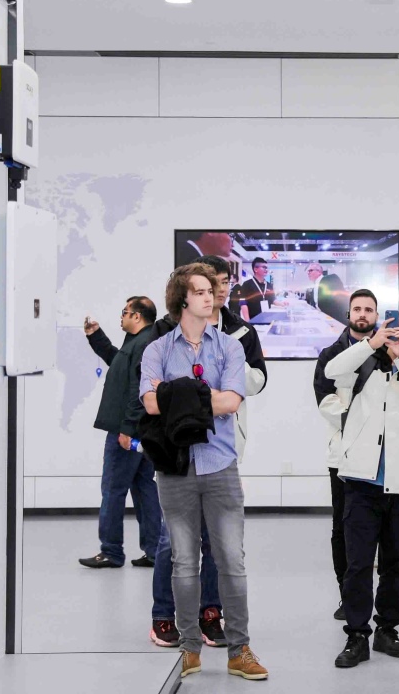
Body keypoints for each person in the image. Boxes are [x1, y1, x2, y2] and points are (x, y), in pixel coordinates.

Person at [140, 263, 268, 681]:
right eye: (199, 291)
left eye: (210, 290)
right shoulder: (157, 350)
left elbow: (232, 401)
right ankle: (189, 648)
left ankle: (239, 648)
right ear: (181, 300)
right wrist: (200, 397)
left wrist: (178, 396)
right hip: (174, 468)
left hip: (220, 464)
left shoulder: (230, 347)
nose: (209, 296)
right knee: (182, 561)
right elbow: (150, 404)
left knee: (231, 559)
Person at [325, 307, 399, 668]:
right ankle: (357, 635)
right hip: (361, 480)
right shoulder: (364, 358)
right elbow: (331, 371)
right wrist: (370, 344)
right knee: (358, 564)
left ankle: (387, 629)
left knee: (395, 565)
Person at [79, 297, 160, 569]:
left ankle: (111, 551)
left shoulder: (144, 344)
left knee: (113, 489)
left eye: (125, 312)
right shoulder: (138, 342)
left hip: (128, 431)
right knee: (144, 488)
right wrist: (96, 337)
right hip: (140, 429)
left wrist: (126, 429)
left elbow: (138, 390)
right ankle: (154, 551)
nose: (121, 316)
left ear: (137, 316)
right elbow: (118, 364)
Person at [313, 289, 379, 620]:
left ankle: (381, 599)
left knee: (382, 530)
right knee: (343, 527)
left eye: (369, 309)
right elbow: (325, 399)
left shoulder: (388, 352)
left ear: (377, 315)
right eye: (357, 309)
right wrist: (357, 423)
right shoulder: (330, 354)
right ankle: (348, 595)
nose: (362, 314)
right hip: (343, 455)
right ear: (348, 314)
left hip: (383, 456)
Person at [306, 261, 349, 325]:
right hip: (323, 321)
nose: (308, 273)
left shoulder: (330, 279)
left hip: (337, 321)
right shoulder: (314, 288)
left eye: (311, 270)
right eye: (308, 271)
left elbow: (342, 300)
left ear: (319, 271)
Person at [237, 257, 275, 322]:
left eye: (267, 268)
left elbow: (273, 300)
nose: (266, 270)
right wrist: (248, 322)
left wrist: (283, 304)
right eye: (264, 267)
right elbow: (243, 304)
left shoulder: (269, 285)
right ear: (255, 269)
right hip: (253, 320)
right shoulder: (247, 284)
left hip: (267, 319)